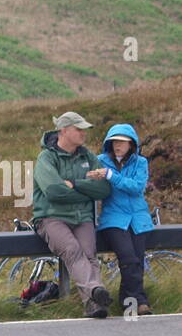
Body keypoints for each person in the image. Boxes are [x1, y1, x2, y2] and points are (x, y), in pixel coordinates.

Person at [31, 112, 113, 318]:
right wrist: (86, 190)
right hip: (51, 217)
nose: (83, 133)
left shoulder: (88, 157)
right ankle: (95, 290)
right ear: (64, 130)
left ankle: (93, 305)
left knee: (89, 254)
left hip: (81, 217)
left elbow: (103, 190)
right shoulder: (46, 158)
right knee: (72, 250)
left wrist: (75, 184)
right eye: (79, 129)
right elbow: (54, 192)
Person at [96, 123, 154, 315]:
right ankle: (138, 300)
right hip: (113, 218)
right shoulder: (100, 161)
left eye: (122, 141)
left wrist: (112, 176)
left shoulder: (141, 163)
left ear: (132, 144)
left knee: (137, 259)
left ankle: (130, 302)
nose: (118, 145)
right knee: (128, 258)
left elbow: (137, 187)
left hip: (138, 218)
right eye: (114, 141)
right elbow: (93, 186)